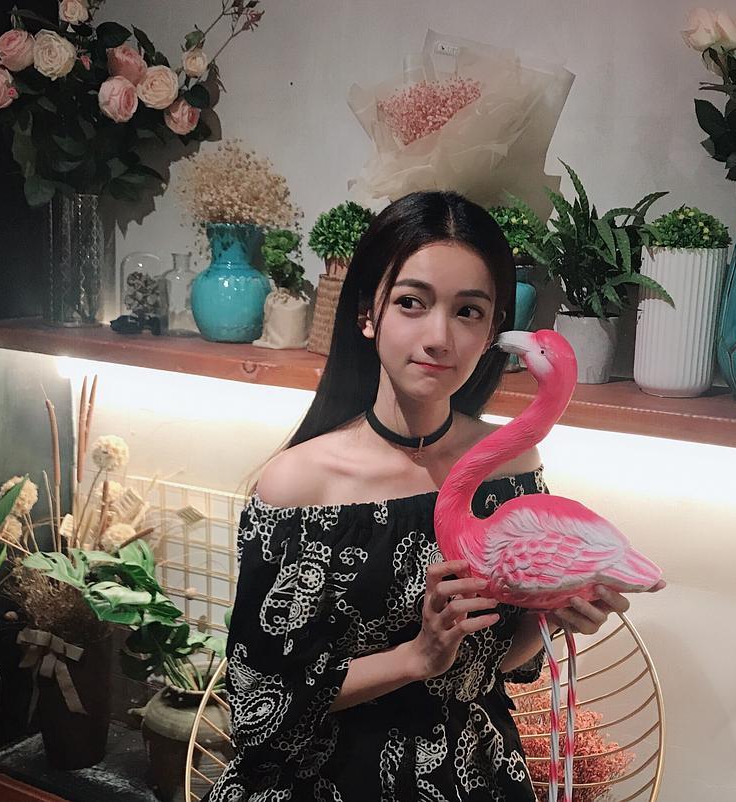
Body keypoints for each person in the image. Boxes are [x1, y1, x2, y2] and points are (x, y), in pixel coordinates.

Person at [207, 191, 633, 801]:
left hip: (473, 772)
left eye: (468, 311)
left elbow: (494, 661)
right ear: (368, 313)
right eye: (412, 302)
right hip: (328, 778)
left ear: (492, 332)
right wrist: (417, 656)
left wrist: (551, 614)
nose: (439, 337)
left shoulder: (510, 467)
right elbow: (258, 702)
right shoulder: (300, 485)